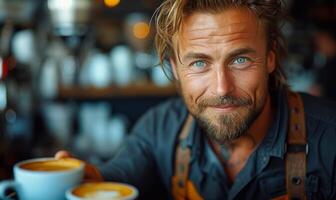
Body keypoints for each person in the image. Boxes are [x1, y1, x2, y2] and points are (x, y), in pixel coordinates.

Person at [56, 0, 336, 199]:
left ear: (270, 57)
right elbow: (119, 177)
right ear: (176, 68)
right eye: (200, 63)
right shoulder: (160, 129)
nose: (222, 88)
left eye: (240, 59)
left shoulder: (330, 139)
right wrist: (89, 181)